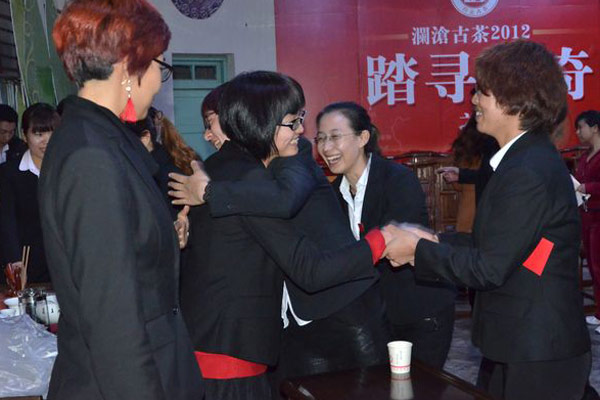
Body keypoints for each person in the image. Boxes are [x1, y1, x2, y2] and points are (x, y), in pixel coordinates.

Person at [384, 40, 591, 400]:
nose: (474, 100)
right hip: (519, 342)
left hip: (538, 351)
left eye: (482, 91)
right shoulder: (520, 160)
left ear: (515, 101)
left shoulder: (527, 170)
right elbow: (494, 244)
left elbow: (489, 267)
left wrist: (417, 250)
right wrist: (429, 239)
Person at [178, 71, 389, 400]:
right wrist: (384, 240)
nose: (302, 130)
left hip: (334, 306)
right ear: (261, 122)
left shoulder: (234, 169)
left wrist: (207, 194)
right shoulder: (245, 175)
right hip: (232, 347)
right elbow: (308, 268)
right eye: (293, 121)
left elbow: (284, 200)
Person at [38, 1, 204, 399]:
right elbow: (113, 318)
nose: (160, 82)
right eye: (160, 66)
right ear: (130, 64)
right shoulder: (91, 154)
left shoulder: (100, 139)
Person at [316, 101, 456, 369]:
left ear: (363, 138)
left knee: (420, 386)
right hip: (376, 315)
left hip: (420, 309)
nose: (326, 147)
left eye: (335, 137)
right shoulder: (332, 195)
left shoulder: (397, 179)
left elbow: (394, 245)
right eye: (321, 139)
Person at [0, 103, 59, 284]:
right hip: (27, 263)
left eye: (52, 133)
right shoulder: (9, 173)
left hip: (64, 262)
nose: (46, 141)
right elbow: (6, 221)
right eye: (38, 134)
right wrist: (15, 262)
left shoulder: (68, 170)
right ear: (25, 135)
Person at [437, 114, 499, 232]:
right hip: (491, 211)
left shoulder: (466, 150)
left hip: (468, 211)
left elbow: (457, 186)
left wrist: (461, 176)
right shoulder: (496, 145)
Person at [574, 110, 600, 333]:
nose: (577, 132)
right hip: (586, 215)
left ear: (595, 128)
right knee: (593, 266)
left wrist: (587, 187)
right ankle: (599, 313)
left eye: (581, 127)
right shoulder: (585, 156)